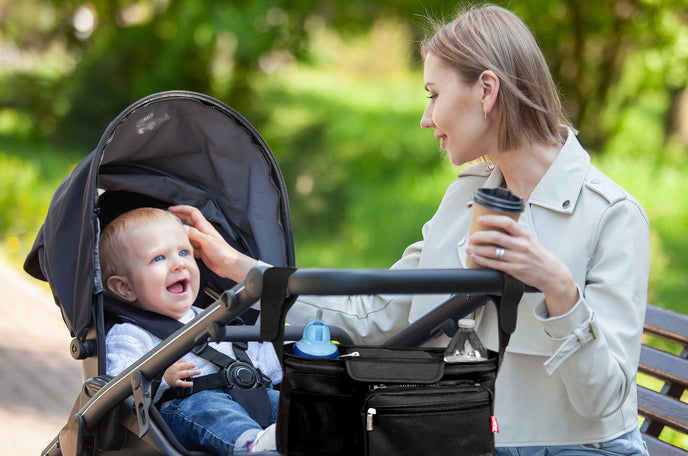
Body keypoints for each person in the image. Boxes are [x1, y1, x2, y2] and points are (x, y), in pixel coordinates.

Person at [170, 4, 650, 454]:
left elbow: (604, 402)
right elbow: (382, 313)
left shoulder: (610, 216)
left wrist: (559, 289)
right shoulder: (467, 198)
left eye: (434, 95)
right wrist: (245, 268)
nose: (426, 119)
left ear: (486, 90)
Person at [100, 207, 281, 455]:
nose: (178, 264)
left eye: (184, 252)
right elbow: (119, 385)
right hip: (185, 409)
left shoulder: (221, 314)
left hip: (252, 396)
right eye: (158, 258)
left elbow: (263, 361)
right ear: (125, 288)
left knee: (288, 406)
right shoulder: (130, 333)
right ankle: (251, 446)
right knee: (211, 408)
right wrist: (160, 377)